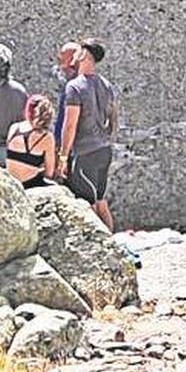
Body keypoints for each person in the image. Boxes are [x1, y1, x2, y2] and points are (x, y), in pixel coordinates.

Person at [59, 39, 119, 231]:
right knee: (101, 202)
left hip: (86, 153)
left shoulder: (74, 87)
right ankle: (115, 248)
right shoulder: (106, 84)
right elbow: (113, 116)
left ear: (84, 55)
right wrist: (108, 137)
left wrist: (62, 157)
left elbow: (70, 126)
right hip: (104, 150)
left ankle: (101, 250)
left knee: (89, 207)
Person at [6, 94, 58, 188]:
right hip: (31, 184)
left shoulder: (14, 128)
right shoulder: (47, 137)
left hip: (11, 183)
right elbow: (49, 172)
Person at [52, 41, 81, 146]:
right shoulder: (68, 84)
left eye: (63, 60)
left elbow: (70, 123)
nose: (61, 66)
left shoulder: (76, 87)